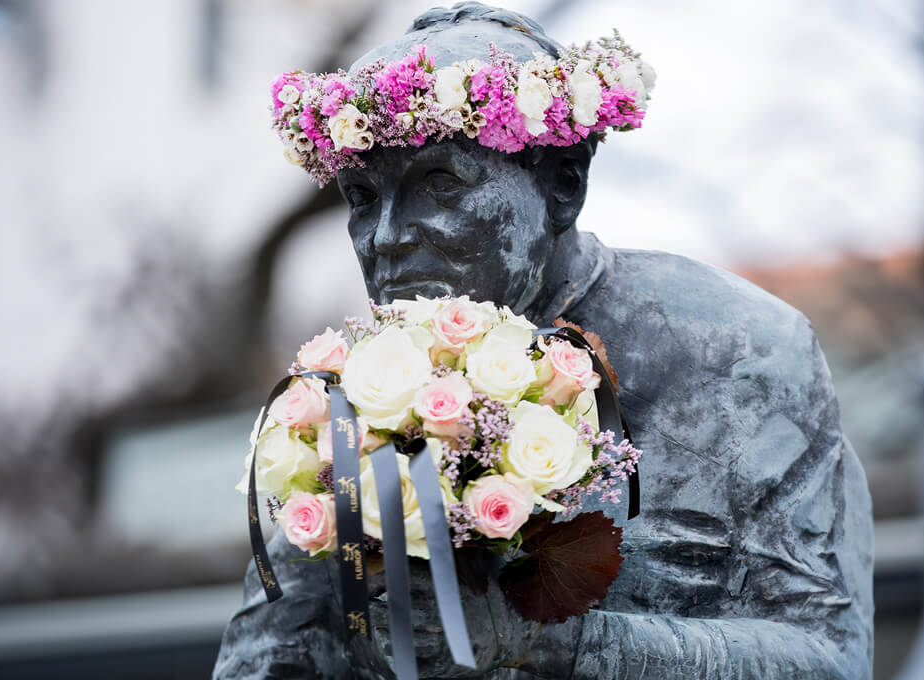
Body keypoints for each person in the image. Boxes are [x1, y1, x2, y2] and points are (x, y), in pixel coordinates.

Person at [214, 4, 873, 678]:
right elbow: (269, 658)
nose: (385, 236)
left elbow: (831, 661)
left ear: (564, 187)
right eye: (359, 196)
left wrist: (552, 642)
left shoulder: (737, 351)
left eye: (440, 183)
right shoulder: (355, 393)